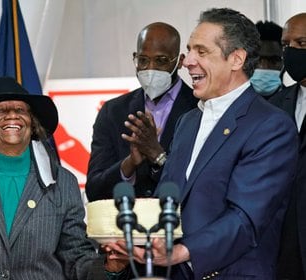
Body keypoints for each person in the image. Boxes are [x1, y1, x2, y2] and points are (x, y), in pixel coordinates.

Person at [106, 8, 298, 279]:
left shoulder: (270, 127)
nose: (188, 62)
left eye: (202, 52)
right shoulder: (188, 122)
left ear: (236, 59)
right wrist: (131, 238)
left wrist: (183, 252)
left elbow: (244, 219)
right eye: (189, 50)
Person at [0, 77, 123, 279]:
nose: (12, 116)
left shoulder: (63, 181)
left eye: (20, 110)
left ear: (32, 122)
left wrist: (108, 267)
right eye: (1, 111)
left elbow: (76, 256)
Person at [86, 22, 198, 201]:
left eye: (161, 60)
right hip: (126, 224)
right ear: (135, 58)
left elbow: (202, 188)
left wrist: (157, 154)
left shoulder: (199, 108)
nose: (150, 69)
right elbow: (94, 190)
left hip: (180, 224)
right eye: (143, 60)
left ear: (179, 61)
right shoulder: (113, 112)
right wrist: (129, 164)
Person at [270, 12, 306, 280]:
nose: (291, 52)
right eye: (286, 45)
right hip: (284, 249)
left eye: (301, 44)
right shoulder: (273, 106)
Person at [250, 20, 284, 99]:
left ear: (284, 62)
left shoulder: (297, 104)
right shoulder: (225, 104)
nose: (264, 66)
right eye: (257, 59)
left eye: (274, 60)